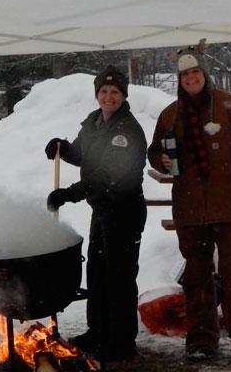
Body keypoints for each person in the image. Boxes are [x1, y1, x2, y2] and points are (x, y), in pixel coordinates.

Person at [148, 39, 231, 363]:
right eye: (185, 75)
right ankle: (201, 340)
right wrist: (161, 159)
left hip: (230, 209)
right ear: (179, 80)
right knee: (196, 277)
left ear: (205, 74)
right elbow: (154, 151)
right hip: (189, 210)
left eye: (196, 73)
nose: (191, 79)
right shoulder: (171, 114)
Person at [45, 65, 147, 362]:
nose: (108, 96)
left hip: (124, 211)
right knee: (98, 274)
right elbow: (82, 154)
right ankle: (98, 330)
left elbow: (108, 174)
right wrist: (62, 148)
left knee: (120, 276)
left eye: (114, 92)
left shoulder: (126, 130)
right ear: (96, 94)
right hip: (102, 209)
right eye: (103, 91)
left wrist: (70, 194)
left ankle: (121, 341)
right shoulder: (94, 122)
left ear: (123, 95)